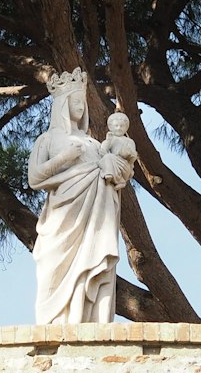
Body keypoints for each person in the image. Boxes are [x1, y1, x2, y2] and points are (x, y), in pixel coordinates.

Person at [27, 70, 135, 327]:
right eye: (75, 101)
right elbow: (35, 178)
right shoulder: (48, 139)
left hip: (95, 215)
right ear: (63, 105)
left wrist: (121, 164)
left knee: (91, 265)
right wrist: (64, 159)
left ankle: (87, 320)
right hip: (63, 217)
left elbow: (118, 171)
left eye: (82, 102)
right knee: (54, 268)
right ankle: (54, 323)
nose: (80, 106)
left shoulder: (95, 143)